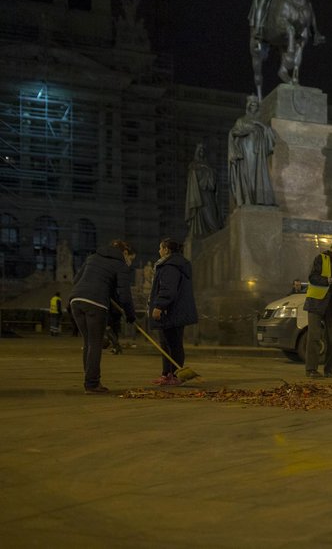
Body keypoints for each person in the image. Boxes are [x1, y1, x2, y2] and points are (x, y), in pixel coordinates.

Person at [68, 240, 137, 394]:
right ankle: (92, 384)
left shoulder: (92, 258)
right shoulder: (120, 265)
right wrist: (130, 315)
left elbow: (75, 280)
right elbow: (125, 295)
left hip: (76, 301)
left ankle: (90, 380)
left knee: (89, 342)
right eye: (131, 259)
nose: (130, 263)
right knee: (96, 343)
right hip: (95, 304)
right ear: (125, 253)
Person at [149, 238, 199, 385]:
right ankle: (167, 374)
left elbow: (168, 289)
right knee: (167, 344)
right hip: (173, 311)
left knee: (173, 344)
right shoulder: (176, 264)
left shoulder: (170, 266)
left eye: (160, 248)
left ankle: (176, 376)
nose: (159, 251)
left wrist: (159, 306)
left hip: (171, 311)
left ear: (166, 250)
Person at [303, 238, 332, 379]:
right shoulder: (321, 259)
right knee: (315, 337)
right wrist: (328, 280)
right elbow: (313, 278)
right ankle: (311, 370)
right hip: (317, 303)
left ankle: (329, 370)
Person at [228, 95, 277, 208]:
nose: (253, 106)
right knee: (247, 174)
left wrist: (261, 126)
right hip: (245, 151)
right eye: (252, 104)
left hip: (259, 153)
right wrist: (250, 128)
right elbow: (234, 132)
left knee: (259, 174)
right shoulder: (241, 120)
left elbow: (270, 134)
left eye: (255, 104)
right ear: (248, 106)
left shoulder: (261, 122)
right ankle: (248, 199)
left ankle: (259, 198)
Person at [185, 142, 222, 238]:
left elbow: (214, 179)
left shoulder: (208, 165)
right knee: (204, 211)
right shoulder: (193, 165)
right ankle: (209, 231)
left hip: (209, 193)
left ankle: (214, 230)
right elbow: (192, 179)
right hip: (198, 193)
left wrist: (210, 173)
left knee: (211, 211)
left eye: (203, 150)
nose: (201, 152)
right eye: (199, 150)